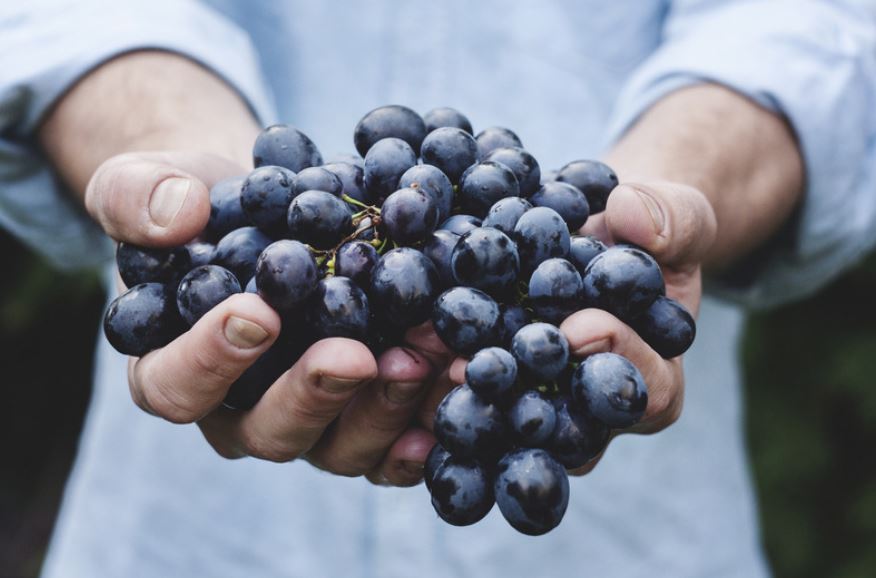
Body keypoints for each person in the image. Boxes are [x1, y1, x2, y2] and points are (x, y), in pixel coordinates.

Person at [2, 1, 875, 576]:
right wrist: (172, 157)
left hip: (630, 533)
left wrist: (666, 194)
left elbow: (808, 28)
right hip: (191, 533)